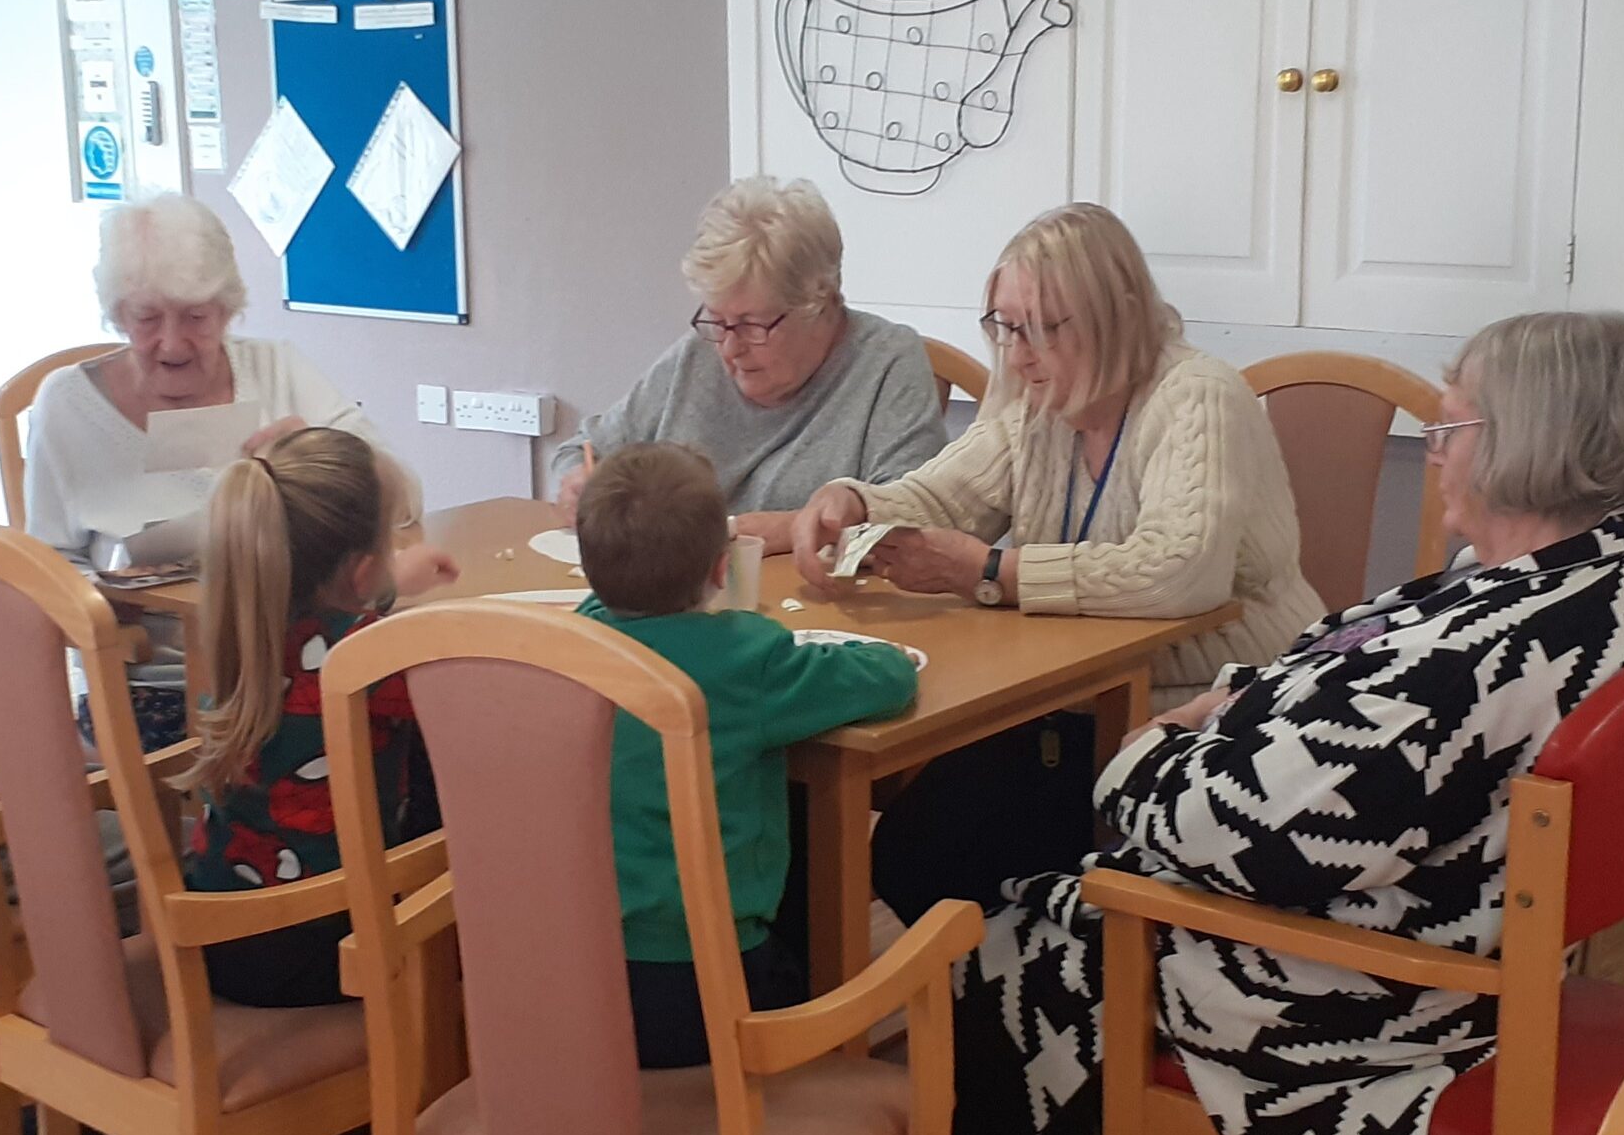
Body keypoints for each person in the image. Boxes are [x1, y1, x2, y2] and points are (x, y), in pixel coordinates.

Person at [923, 311, 1624, 1135]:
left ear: (1527, 443)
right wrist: (1234, 698)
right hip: (1465, 928)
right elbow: (1355, 664)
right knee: (1002, 838)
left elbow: (1239, 837)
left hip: (1364, 1008)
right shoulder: (1618, 577)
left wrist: (1147, 749)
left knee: (1004, 940)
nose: (1433, 450)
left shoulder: (1471, 668)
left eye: (1451, 426)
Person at [789, 202, 1325, 907]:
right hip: (1067, 702)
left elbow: (1179, 572)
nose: (1017, 354)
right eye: (1005, 326)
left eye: (1042, 328)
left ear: (1117, 315)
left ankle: (1041, 964)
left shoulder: (1198, 396)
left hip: (1209, 706)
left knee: (962, 863)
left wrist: (992, 572)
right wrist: (856, 502)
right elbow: (944, 496)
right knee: (916, 856)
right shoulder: (1035, 401)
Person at [24, 194, 424, 750]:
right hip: (159, 680)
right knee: (342, 740)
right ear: (117, 314)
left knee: (433, 719)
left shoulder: (276, 368)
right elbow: (44, 568)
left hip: (310, 657)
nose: (172, 343)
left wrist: (315, 452)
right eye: (146, 318)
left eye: (196, 317)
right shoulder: (68, 406)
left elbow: (402, 499)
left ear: (228, 309)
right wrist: (108, 606)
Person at [573, 443, 919, 1067]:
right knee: (807, 967)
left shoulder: (575, 638)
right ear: (720, 568)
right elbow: (888, 680)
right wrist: (879, 652)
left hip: (585, 960)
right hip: (714, 976)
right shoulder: (747, 657)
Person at [181, 426, 458, 1007]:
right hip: (315, 949)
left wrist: (385, 589)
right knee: (455, 782)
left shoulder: (244, 624)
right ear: (363, 571)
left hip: (217, 938)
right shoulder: (371, 662)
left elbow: (333, 630)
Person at [552, 176, 949, 553]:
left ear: (821, 303)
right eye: (717, 320)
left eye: (751, 325)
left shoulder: (887, 362)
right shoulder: (699, 353)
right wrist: (578, 481)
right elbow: (585, 448)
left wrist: (784, 529)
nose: (729, 347)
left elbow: (910, 520)